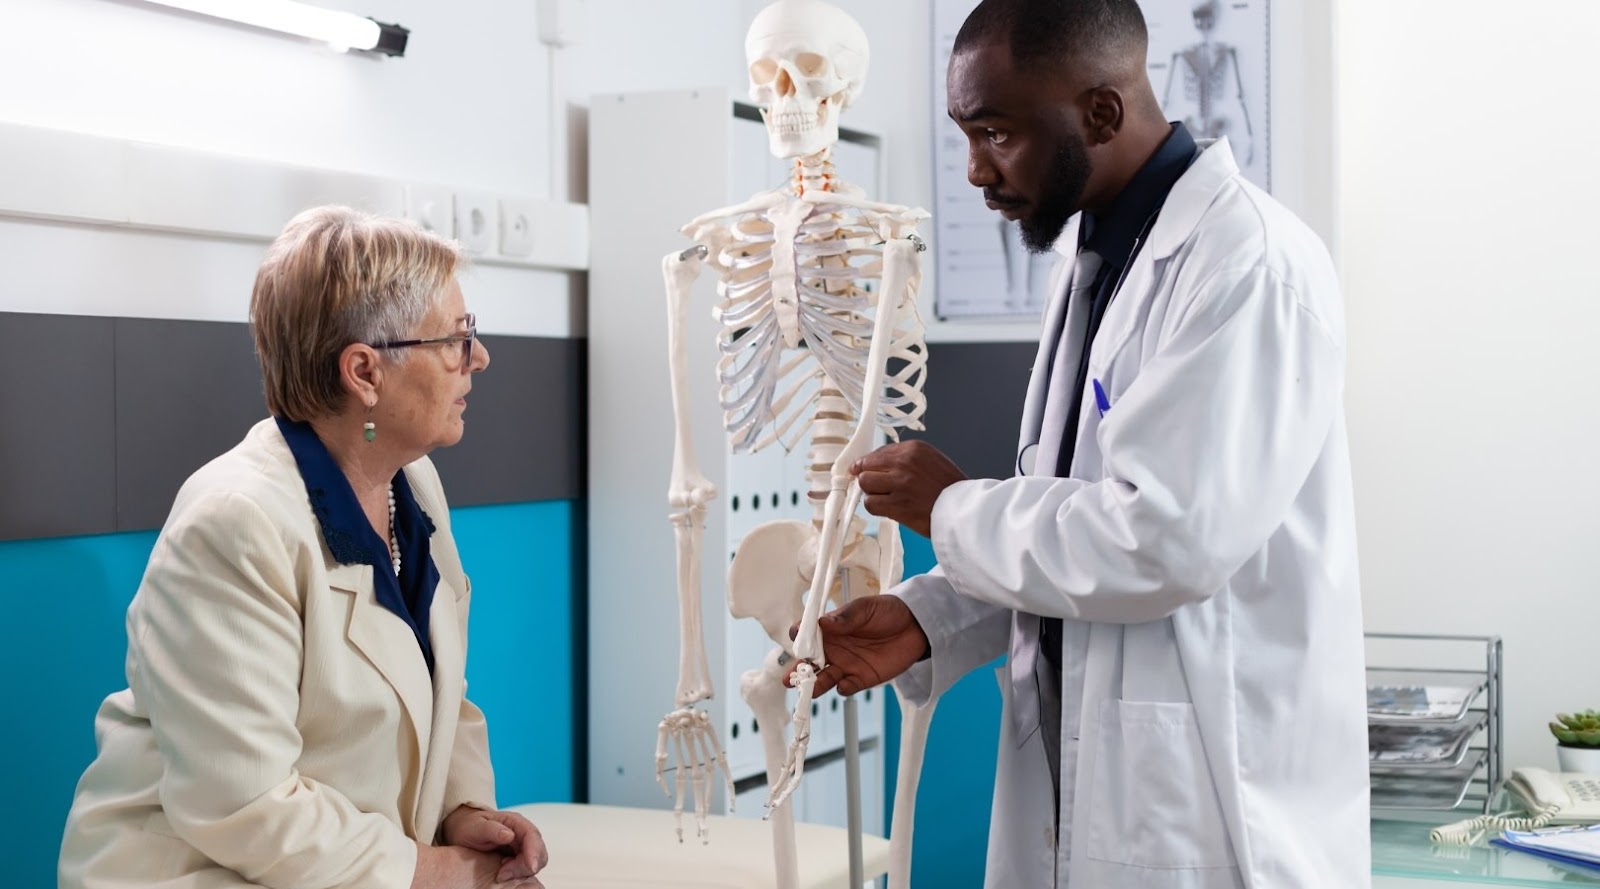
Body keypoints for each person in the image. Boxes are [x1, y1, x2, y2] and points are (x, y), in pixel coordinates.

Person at [800, 1, 1370, 887]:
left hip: (1208, 811)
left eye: (996, 133)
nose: (976, 170)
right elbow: (1066, 509)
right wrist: (930, 617)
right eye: (966, 133)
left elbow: (1159, 541)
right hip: (1093, 781)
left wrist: (949, 504)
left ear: (1101, 113)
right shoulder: (1096, 257)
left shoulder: (1247, 264)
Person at [59, 206, 550, 889]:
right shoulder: (234, 525)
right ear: (365, 372)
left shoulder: (413, 485)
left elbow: (437, 689)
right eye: (456, 338)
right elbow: (244, 804)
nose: (479, 358)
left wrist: (463, 811)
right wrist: (436, 870)